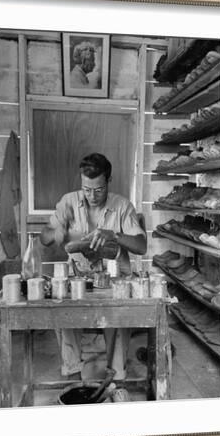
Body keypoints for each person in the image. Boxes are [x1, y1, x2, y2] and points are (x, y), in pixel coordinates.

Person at [40, 153, 147, 380]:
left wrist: (115, 235)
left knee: (117, 316)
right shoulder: (68, 201)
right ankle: (72, 370)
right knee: (63, 308)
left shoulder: (122, 206)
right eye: (86, 189)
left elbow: (141, 245)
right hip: (79, 276)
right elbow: (44, 237)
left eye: (98, 190)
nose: (92, 196)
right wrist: (56, 232)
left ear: (108, 181)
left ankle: (115, 375)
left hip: (115, 280)